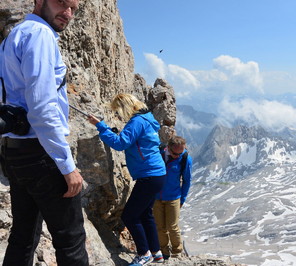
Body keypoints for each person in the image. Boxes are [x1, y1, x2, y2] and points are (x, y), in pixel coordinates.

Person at [0, 0, 89, 265]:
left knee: (23, 236)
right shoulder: (40, 35)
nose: (68, 13)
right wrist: (66, 164)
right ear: (40, 1)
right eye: (62, 3)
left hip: (15, 151)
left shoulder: (14, 35)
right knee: (71, 240)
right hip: (41, 154)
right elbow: (41, 107)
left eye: (74, 8)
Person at [88, 93, 166, 266]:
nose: (118, 114)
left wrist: (100, 127)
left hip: (149, 174)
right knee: (145, 214)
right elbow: (131, 140)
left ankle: (144, 254)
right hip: (157, 173)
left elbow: (120, 144)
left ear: (125, 107)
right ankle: (156, 252)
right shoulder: (147, 118)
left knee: (130, 216)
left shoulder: (136, 122)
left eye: (118, 110)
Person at [153, 135, 192, 259]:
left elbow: (186, 180)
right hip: (156, 196)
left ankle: (177, 252)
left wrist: (183, 199)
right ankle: (164, 252)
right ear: (168, 148)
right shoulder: (158, 153)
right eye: (175, 154)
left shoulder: (185, 158)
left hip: (174, 197)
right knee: (160, 227)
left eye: (180, 153)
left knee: (172, 226)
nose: (177, 156)